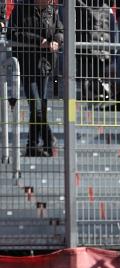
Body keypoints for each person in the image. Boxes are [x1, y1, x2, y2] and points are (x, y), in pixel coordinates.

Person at [9, 0, 63, 157]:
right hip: (26, 64)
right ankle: (43, 141)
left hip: (45, 64)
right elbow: (12, 32)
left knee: (41, 107)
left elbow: (60, 30)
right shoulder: (21, 8)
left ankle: (38, 145)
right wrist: (40, 41)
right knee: (37, 107)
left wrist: (56, 41)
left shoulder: (52, 11)